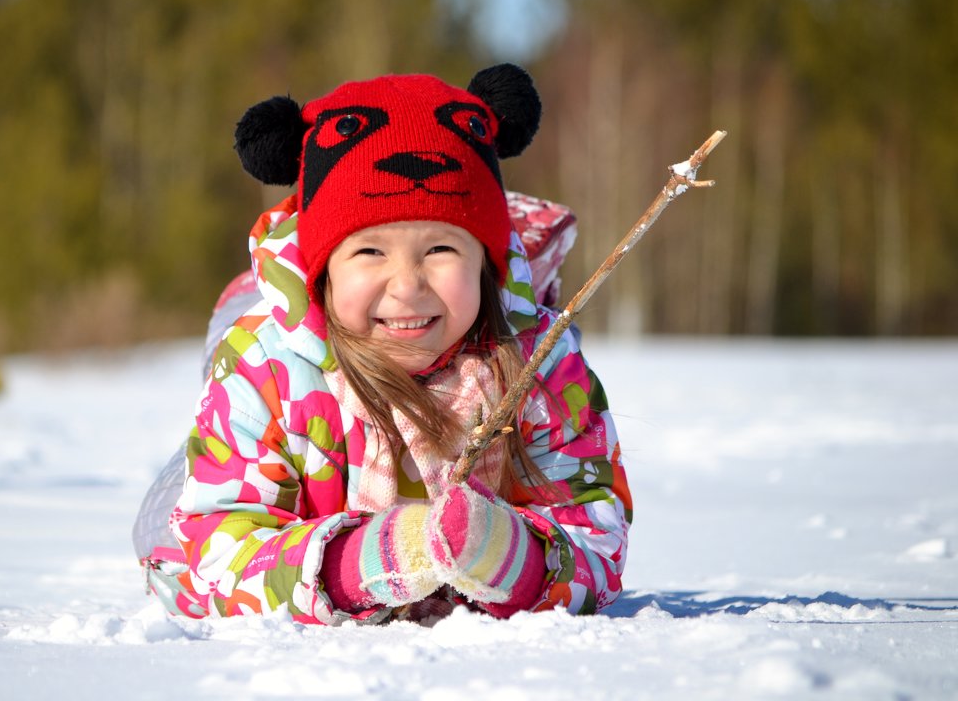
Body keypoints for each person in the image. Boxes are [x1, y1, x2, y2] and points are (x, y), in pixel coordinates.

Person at [133, 64, 631, 624]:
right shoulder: (263, 368)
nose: (408, 284)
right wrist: (364, 561)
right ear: (325, 269)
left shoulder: (542, 366)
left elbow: (595, 532)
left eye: (441, 248)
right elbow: (214, 551)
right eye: (370, 251)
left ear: (485, 264)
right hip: (279, 371)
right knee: (162, 536)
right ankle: (252, 296)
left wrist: (507, 557)